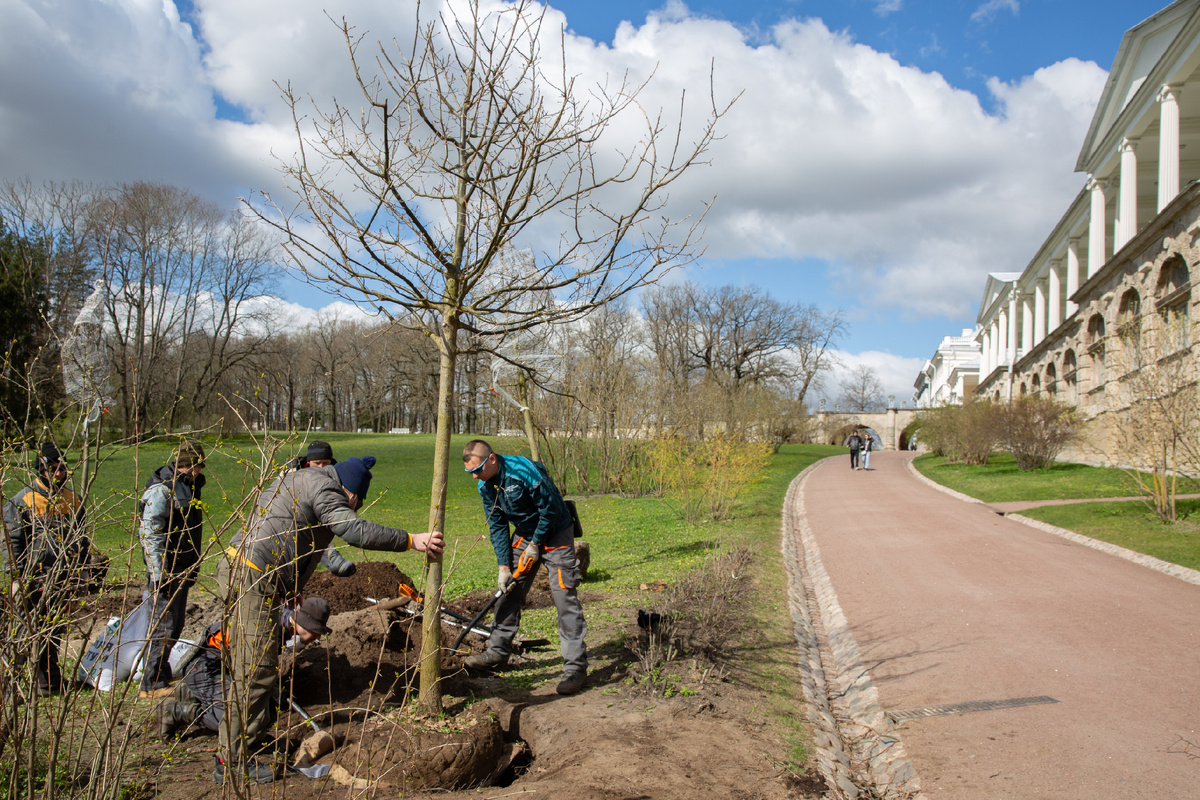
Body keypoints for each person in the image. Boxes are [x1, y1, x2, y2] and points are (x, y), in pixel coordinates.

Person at [216, 455, 442, 786]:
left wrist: (289, 586)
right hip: (252, 576)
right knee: (255, 669)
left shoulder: (300, 480)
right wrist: (410, 540)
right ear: (351, 491)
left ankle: (245, 741)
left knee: (253, 664)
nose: (354, 507)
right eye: (357, 502)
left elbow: (284, 529)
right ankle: (231, 761)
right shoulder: (326, 487)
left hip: (246, 570)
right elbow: (350, 529)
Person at [461, 439, 587, 696]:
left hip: (557, 530)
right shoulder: (485, 485)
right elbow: (496, 525)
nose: (474, 476)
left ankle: (575, 668)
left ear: (492, 459)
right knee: (509, 591)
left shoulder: (524, 471)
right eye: (469, 472)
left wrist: (536, 544)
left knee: (564, 598)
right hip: (525, 532)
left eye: (478, 468)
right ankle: (497, 652)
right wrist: (504, 566)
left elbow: (550, 509)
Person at [154, 597, 332, 741]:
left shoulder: (281, 622)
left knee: (264, 707)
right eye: (315, 631)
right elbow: (251, 669)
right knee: (236, 722)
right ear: (303, 622)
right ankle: (179, 711)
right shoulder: (267, 627)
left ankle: (194, 693)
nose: (317, 636)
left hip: (226, 667)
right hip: (205, 666)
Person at [3, 442, 90, 695]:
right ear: (41, 470)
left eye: (62, 468)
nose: (60, 473)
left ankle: (48, 682)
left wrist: (81, 568)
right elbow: (12, 541)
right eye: (53, 469)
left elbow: (81, 539)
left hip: (61, 577)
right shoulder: (23, 500)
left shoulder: (73, 499)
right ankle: (11, 688)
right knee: (24, 633)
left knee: (54, 630)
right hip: (33, 576)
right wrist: (16, 575)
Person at [138, 440, 206, 695]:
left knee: (175, 626)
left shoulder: (188, 487)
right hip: (167, 571)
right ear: (187, 465)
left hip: (183, 566)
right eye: (197, 465)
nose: (200, 471)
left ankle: (162, 674)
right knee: (163, 626)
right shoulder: (162, 491)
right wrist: (159, 574)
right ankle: (151, 683)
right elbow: (150, 534)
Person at [285, 441, 355, 578]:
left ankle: (330, 556)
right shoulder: (292, 474)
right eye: (317, 463)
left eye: (325, 463)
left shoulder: (335, 474)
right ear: (308, 462)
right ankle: (329, 557)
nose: (321, 467)